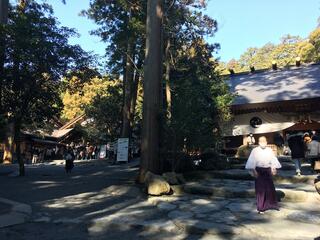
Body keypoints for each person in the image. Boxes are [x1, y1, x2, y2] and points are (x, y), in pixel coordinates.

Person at [245, 136, 282, 214]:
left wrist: (273, 168)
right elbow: (252, 161)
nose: (263, 143)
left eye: (264, 141)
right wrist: (253, 170)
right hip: (259, 171)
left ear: (266, 142)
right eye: (261, 141)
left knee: (269, 187)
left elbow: (273, 159)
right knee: (260, 189)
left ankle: (271, 204)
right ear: (258, 142)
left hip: (267, 170)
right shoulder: (255, 150)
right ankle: (261, 207)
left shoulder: (269, 150)